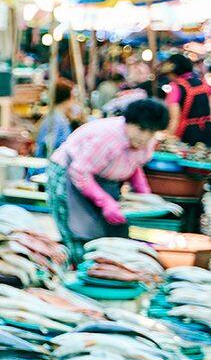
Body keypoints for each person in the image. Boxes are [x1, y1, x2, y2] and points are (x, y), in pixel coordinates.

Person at [46, 98, 170, 258]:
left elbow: (134, 166)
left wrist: (144, 195)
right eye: (141, 129)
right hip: (71, 174)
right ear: (128, 122)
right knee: (80, 234)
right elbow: (80, 172)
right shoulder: (108, 137)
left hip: (101, 179)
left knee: (110, 235)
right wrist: (104, 202)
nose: (145, 137)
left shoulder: (147, 140)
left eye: (151, 132)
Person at [161, 54, 211, 222]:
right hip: (207, 130)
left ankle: (192, 208)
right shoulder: (203, 84)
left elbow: (175, 118)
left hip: (188, 133)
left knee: (187, 169)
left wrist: (168, 136)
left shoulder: (175, 88)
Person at [34, 80, 77, 158]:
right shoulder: (56, 121)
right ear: (68, 98)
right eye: (73, 97)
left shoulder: (57, 117)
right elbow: (48, 149)